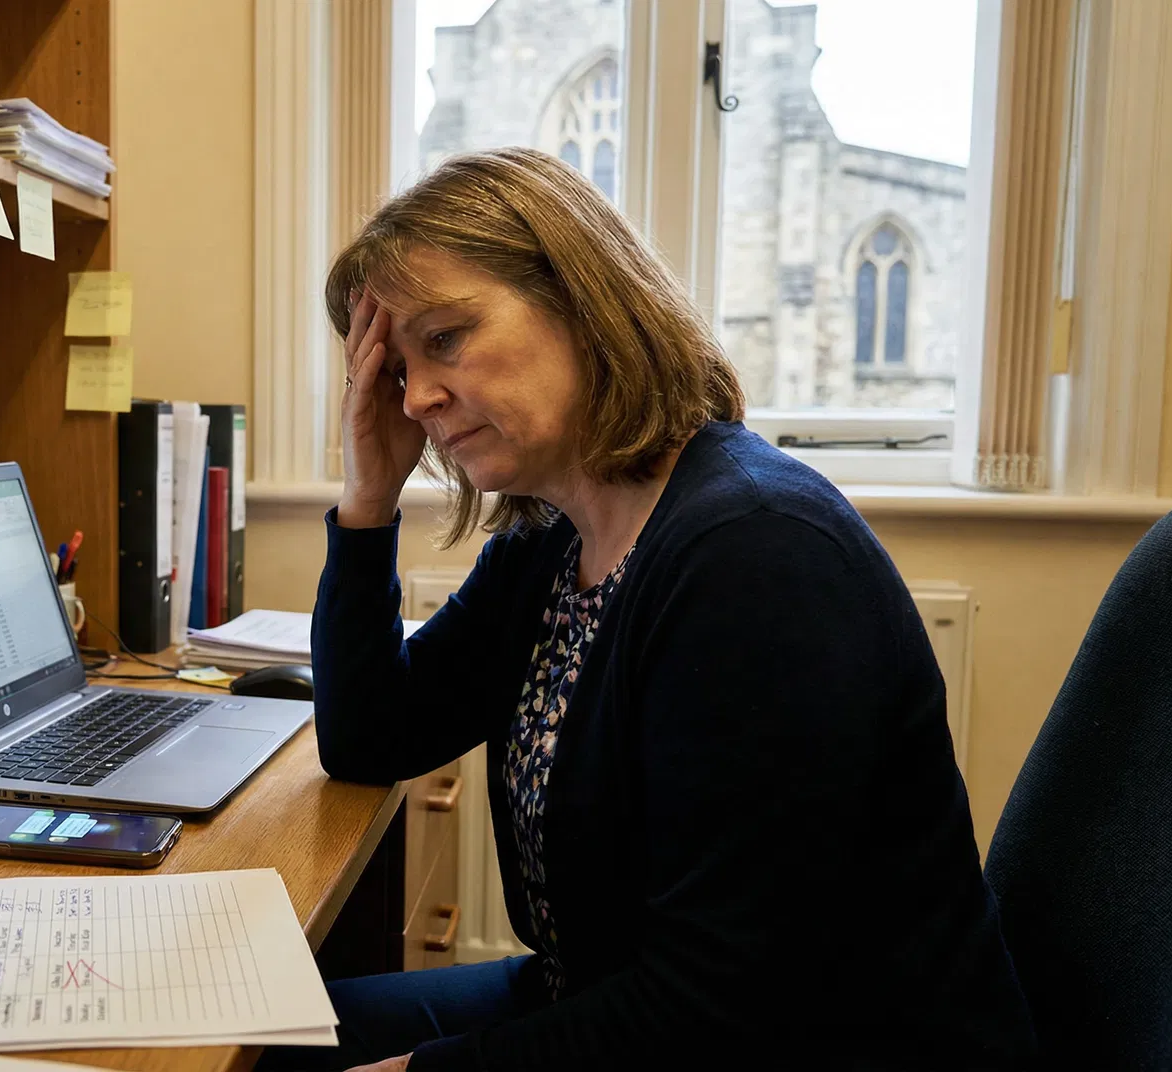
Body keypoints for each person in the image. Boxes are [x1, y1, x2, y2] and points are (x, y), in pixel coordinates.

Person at [285, 148, 1035, 1070]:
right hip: (610, 996)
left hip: (800, 1044)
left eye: (444, 339)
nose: (418, 396)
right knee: (242, 1042)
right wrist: (368, 497)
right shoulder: (560, 535)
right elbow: (369, 738)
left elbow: (725, 1007)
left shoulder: (755, 557)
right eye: (396, 369)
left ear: (583, 302)